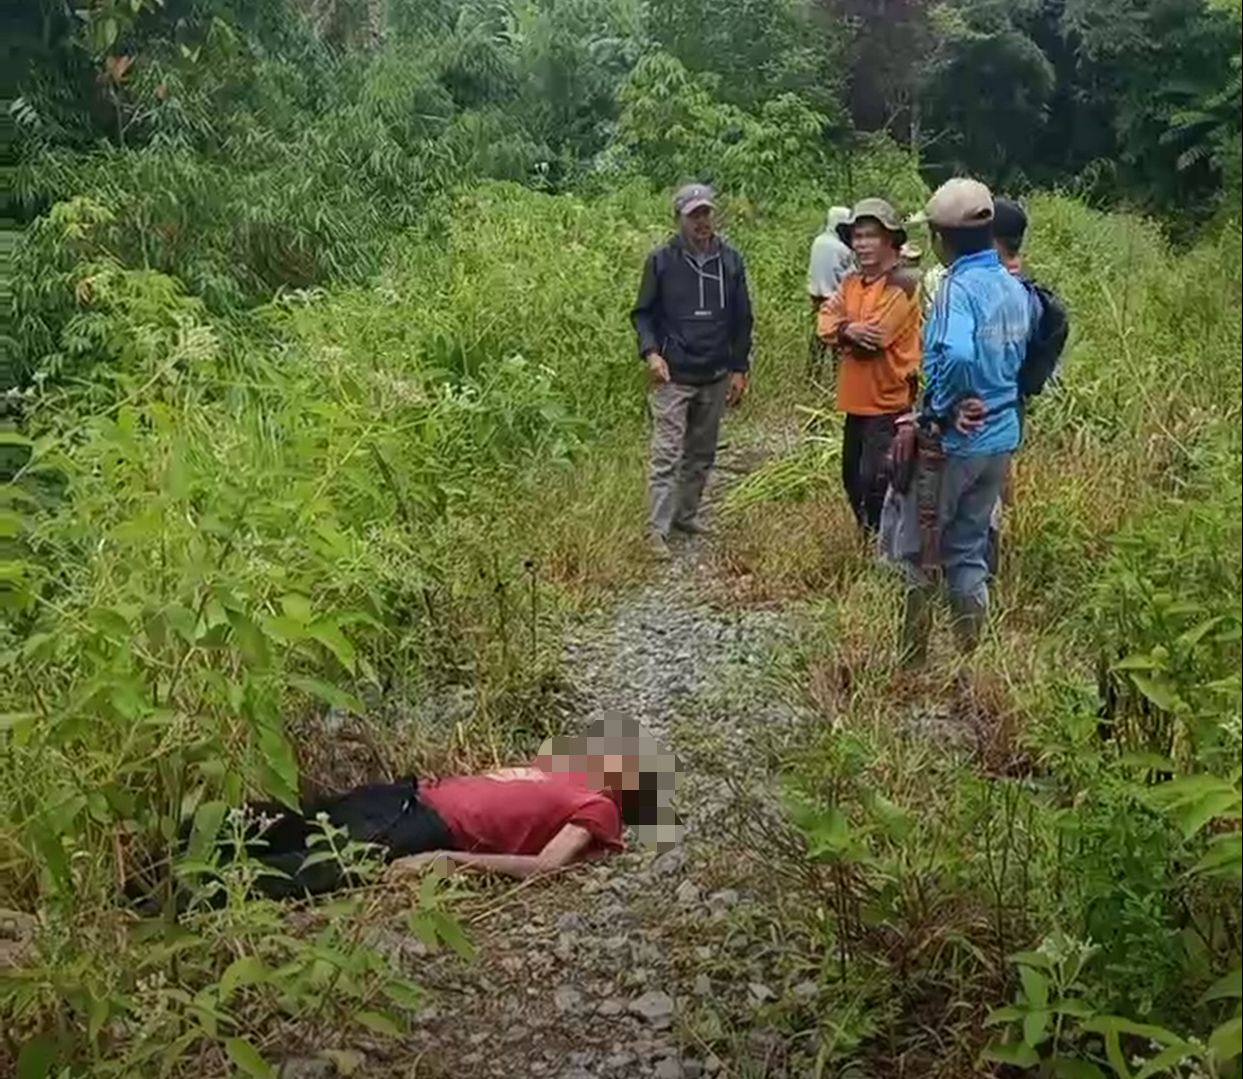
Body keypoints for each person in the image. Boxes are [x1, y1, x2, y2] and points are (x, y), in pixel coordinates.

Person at [176, 717, 674, 901]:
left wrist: (451, 862)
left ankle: (177, 894)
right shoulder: (558, 773)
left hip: (432, 826)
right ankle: (170, 841)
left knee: (314, 866)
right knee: (291, 820)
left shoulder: (598, 807)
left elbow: (547, 866)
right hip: (409, 795)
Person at [891, 178, 1035, 665]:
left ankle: (910, 660)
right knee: (970, 549)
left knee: (916, 550)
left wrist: (943, 408)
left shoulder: (958, 288)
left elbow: (953, 352)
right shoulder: (1013, 286)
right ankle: (970, 660)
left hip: (955, 442)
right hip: (1000, 437)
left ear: (939, 238)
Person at [632, 183, 753, 559]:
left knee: (701, 452)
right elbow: (643, 313)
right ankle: (657, 529)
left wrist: (739, 368)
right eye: (694, 215)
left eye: (706, 213)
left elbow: (742, 318)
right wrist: (651, 353)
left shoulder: (730, 260)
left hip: (715, 371)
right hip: (673, 374)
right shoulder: (661, 261)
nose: (702, 221)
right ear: (679, 218)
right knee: (666, 453)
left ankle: (685, 516)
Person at [816, 198, 922, 534]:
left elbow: (876, 338)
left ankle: (884, 552)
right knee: (852, 476)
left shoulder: (903, 282)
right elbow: (824, 322)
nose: (861, 244)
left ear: (890, 239)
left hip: (889, 402)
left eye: (870, 235)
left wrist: (843, 330)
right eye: (857, 236)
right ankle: (870, 544)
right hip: (856, 401)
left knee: (877, 481)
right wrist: (848, 329)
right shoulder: (850, 283)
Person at [805, 205, 855, 379]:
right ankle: (837, 379)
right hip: (834, 300)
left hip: (816, 297)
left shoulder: (818, 241)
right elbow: (850, 276)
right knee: (837, 342)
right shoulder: (841, 249)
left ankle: (812, 377)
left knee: (817, 341)